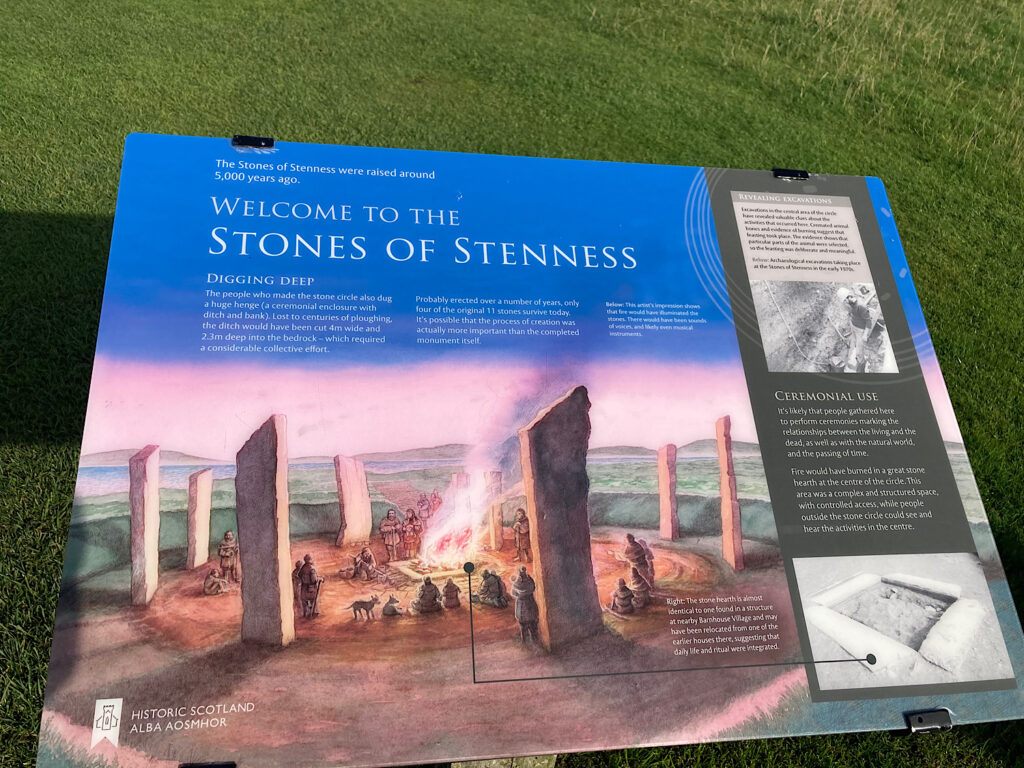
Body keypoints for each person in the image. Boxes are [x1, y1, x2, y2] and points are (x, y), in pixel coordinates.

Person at [511, 566, 540, 643]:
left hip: (521, 607)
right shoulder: (530, 581)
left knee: (523, 626)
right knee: (533, 625)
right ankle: (535, 640)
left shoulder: (516, 584)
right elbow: (534, 588)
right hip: (531, 604)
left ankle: (524, 641)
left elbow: (513, 593)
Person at [298, 553, 322, 618]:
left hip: (304, 588)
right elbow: (314, 580)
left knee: (304, 602)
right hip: (311, 588)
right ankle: (314, 613)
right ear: (310, 560)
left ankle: (306, 613)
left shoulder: (303, 567)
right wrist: (319, 580)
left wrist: (304, 579)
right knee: (313, 600)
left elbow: (299, 575)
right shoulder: (312, 569)